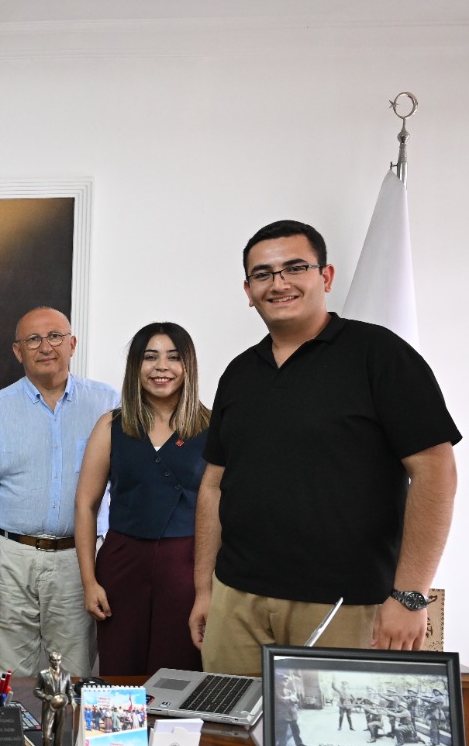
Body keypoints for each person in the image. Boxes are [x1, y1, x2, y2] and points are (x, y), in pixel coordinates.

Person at [189, 220, 460, 673]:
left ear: (326, 277)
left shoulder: (380, 355)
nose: (279, 283)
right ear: (249, 290)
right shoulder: (238, 374)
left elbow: (435, 472)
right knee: (229, 718)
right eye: (263, 274)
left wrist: (410, 595)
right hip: (236, 600)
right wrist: (205, 590)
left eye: (295, 268)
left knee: (333, 722)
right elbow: (214, 486)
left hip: (346, 606)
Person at [0, 307, 119, 683]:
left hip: (79, 559)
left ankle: (62, 728)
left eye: (55, 336)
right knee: (10, 677)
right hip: (11, 559)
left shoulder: (108, 404)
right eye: (33, 339)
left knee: (73, 675)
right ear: (18, 351)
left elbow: (126, 484)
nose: (45, 347)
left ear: (73, 344)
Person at [73, 323, 209, 680]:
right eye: (150, 357)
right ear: (136, 365)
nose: (161, 367)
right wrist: (89, 582)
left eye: (173, 357)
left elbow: (223, 511)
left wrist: (208, 589)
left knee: (179, 675)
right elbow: (85, 505)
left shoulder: (213, 427)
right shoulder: (111, 425)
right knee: (120, 675)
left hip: (187, 568)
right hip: (122, 566)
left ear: (188, 366)